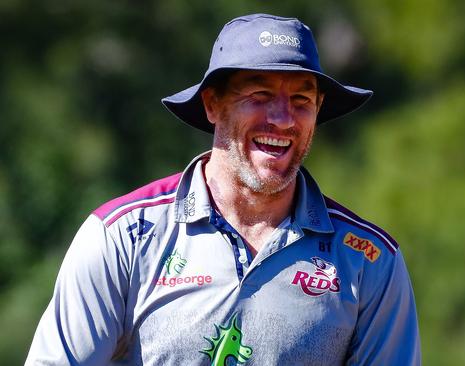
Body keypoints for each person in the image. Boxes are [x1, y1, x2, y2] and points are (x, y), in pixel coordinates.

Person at [26, 13, 420, 366]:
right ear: (212, 104)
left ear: (317, 112)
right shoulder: (122, 237)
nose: (283, 119)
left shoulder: (369, 260)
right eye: (260, 96)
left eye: (301, 100)